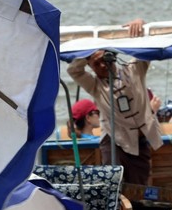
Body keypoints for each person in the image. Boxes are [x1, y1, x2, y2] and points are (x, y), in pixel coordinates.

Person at [67, 18, 163, 185]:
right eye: (96, 64)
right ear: (91, 67)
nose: (103, 65)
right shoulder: (95, 86)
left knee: (139, 187)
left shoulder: (134, 70)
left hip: (139, 141)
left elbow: (146, 48)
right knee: (112, 185)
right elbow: (74, 70)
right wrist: (88, 50)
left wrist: (139, 26)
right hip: (114, 140)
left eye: (105, 59)